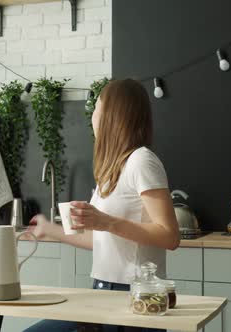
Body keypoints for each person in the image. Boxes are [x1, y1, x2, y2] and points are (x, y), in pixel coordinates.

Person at [25, 79, 180, 332]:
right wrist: (49, 229)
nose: (93, 115)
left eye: (97, 106)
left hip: (134, 296)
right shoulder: (112, 170)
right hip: (103, 290)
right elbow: (101, 240)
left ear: (113, 115)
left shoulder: (142, 161)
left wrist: (105, 221)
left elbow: (170, 235)